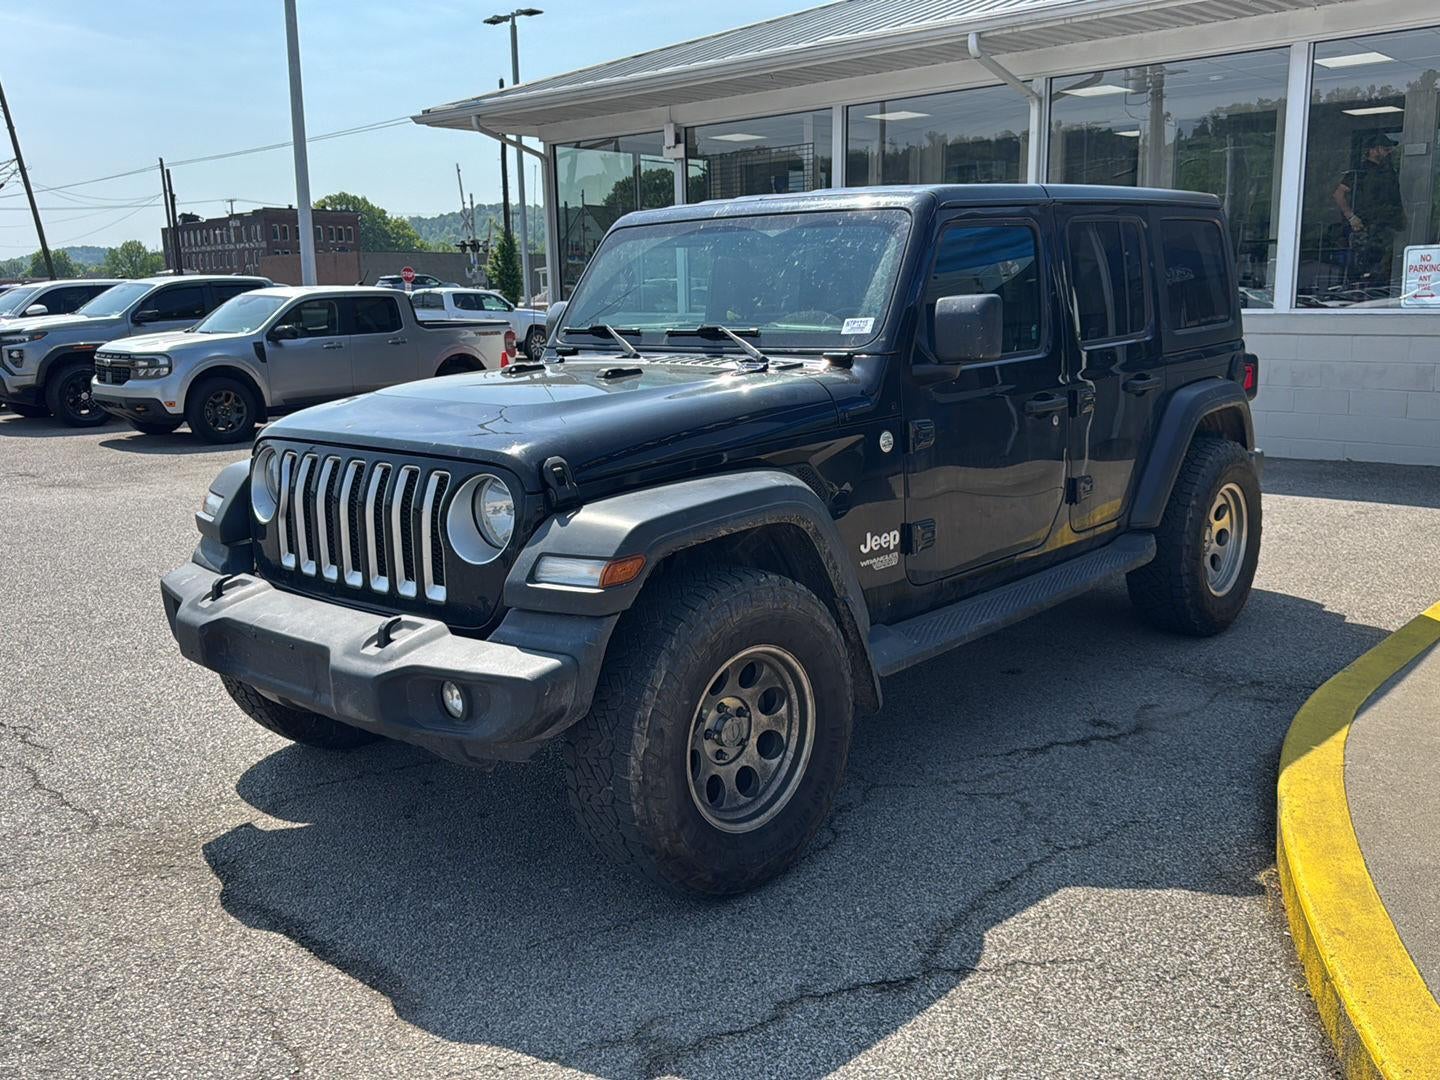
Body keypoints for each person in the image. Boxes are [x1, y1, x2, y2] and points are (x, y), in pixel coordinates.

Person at [1332, 132, 1406, 294]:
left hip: (1385, 228)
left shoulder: (1389, 172)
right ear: (1373, 150)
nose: (1388, 152)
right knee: (1361, 268)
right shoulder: (1360, 172)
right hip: (1364, 228)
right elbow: (1339, 194)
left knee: (1382, 271)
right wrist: (1351, 217)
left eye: (1388, 149)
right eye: (1384, 149)